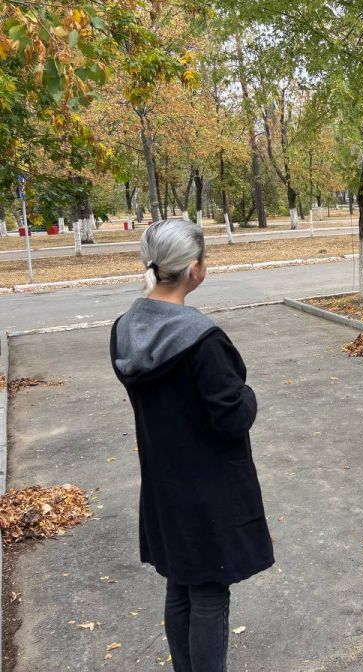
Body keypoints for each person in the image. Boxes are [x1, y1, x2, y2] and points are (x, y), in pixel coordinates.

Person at [110, 220, 274, 671]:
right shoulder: (201, 340)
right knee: (207, 591)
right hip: (208, 487)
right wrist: (249, 394)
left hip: (163, 483)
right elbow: (231, 418)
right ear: (194, 270)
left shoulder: (125, 329)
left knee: (179, 584)